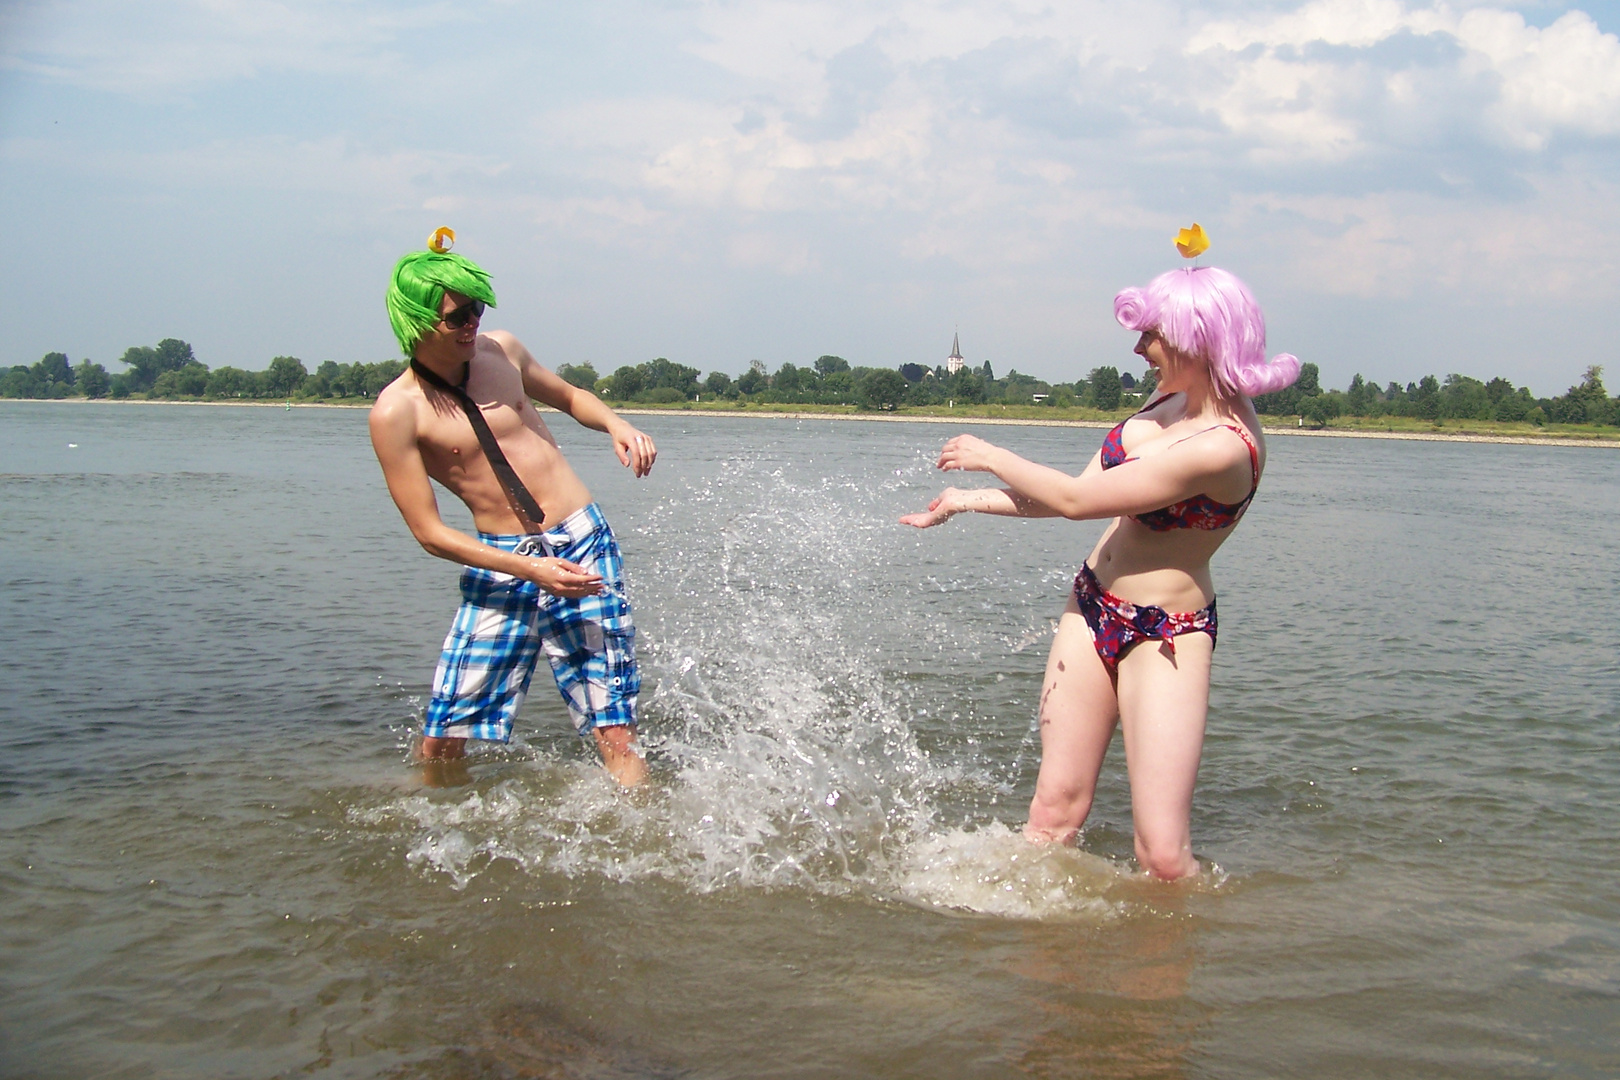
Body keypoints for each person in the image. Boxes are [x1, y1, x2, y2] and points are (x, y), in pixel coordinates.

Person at [901, 265, 1299, 879]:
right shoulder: (1167, 401)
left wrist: (991, 455)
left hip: (1167, 633)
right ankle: (1041, 962)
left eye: (1151, 335)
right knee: (1052, 813)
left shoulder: (1224, 444)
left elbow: (1074, 503)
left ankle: (1166, 971)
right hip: (1091, 607)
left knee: (1162, 855)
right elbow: (1082, 491)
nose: (1138, 348)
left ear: (1198, 339)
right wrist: (963, 501)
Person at [370, 238, 657, 786]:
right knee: (444, 732)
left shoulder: (502, 353)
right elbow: (429, 533)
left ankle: (647, 836)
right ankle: (428, 833)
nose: (472, 324)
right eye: (458, 315)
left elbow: (571, 396)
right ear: (418, 321)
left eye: (478, 308)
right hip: (503, 562)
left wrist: (618, 425)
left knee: (613, 726)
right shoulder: (396, 412)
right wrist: (531, 569)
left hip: (581, 543)